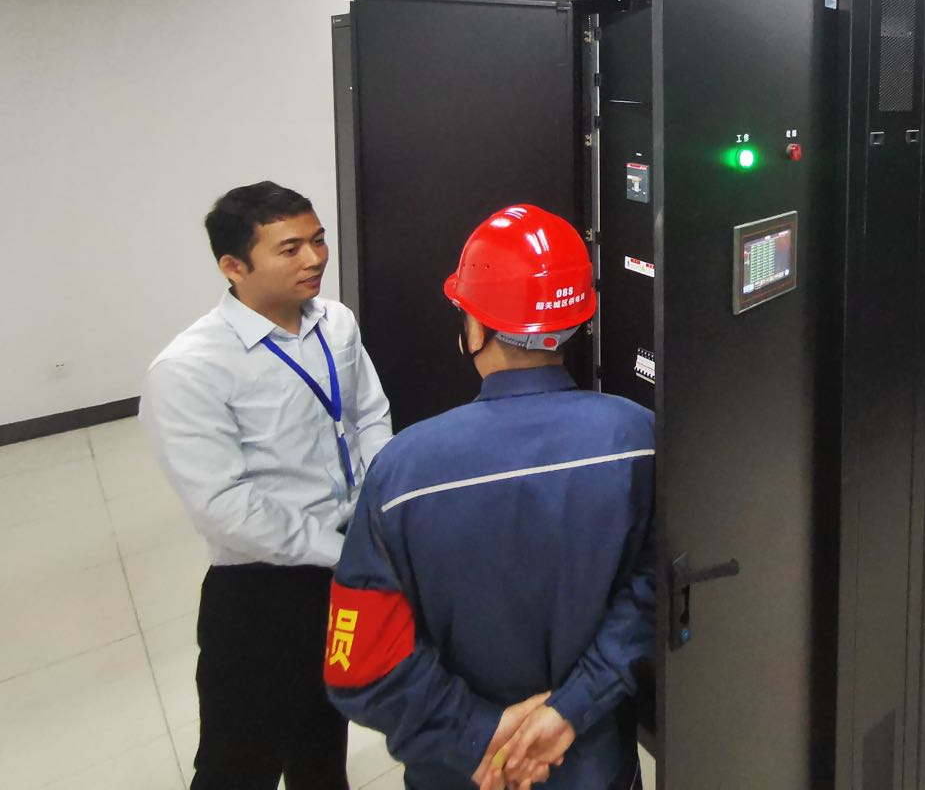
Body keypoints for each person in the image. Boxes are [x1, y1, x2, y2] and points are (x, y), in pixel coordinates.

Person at [325, 203, 656, 790]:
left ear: (474, 328)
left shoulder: (401, 472)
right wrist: (568, 710)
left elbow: (360, 667)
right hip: (594, 764)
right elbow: (655, 594)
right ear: (577, 322)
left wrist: (481, 732)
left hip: (464, 773)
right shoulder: (638, 437)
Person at [141, 181, 393, 788]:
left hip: (348, 559)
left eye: (317, 240)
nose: (315, 259)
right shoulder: (190, 368)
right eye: (289, 249)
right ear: (234, 267)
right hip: (262, 586)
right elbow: (224, 507)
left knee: (323, 725)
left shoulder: (336, 322)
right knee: (238, 758)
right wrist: (342, 552)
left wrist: (376, 515)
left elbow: (368, 415)